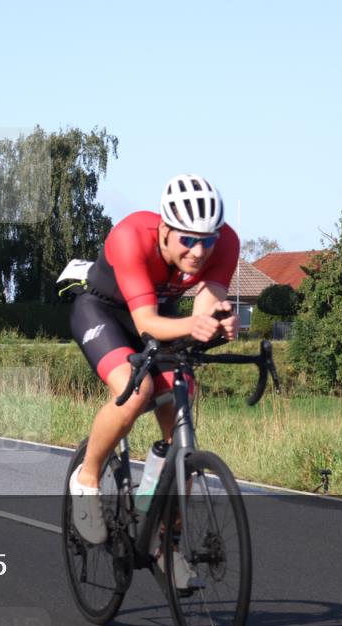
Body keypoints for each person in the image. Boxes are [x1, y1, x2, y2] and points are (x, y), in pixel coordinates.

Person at [66, 173, 240, 586]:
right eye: (187, 240)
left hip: (160, 316)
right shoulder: (131, 235)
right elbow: (145, 321)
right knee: (135, 389)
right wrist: (194, 324)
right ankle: (87, 477)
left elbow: (206, 304)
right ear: (164, 228)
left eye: (207, 240)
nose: (198, 251)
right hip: (103, 311)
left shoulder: (226, 243)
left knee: (181, 412)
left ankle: (164, 539)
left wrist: (219, 322)